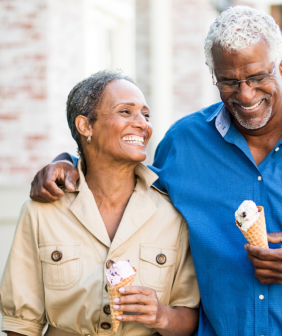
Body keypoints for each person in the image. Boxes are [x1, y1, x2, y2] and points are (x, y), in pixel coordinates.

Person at [28, 6, 282, 336]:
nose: (244, 95)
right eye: (228, 81)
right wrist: (69, 159)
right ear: (213, 74)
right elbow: (126, 184)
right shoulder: (185, 143)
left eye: (256, 77)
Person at [0, 71, 200, 336]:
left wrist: (161, 315)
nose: (142, 124)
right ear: (85, 126)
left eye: (146, 114)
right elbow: (21, 326)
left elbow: (189, 317)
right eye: (125, 112)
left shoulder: (172, 215)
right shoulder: (41, 212)